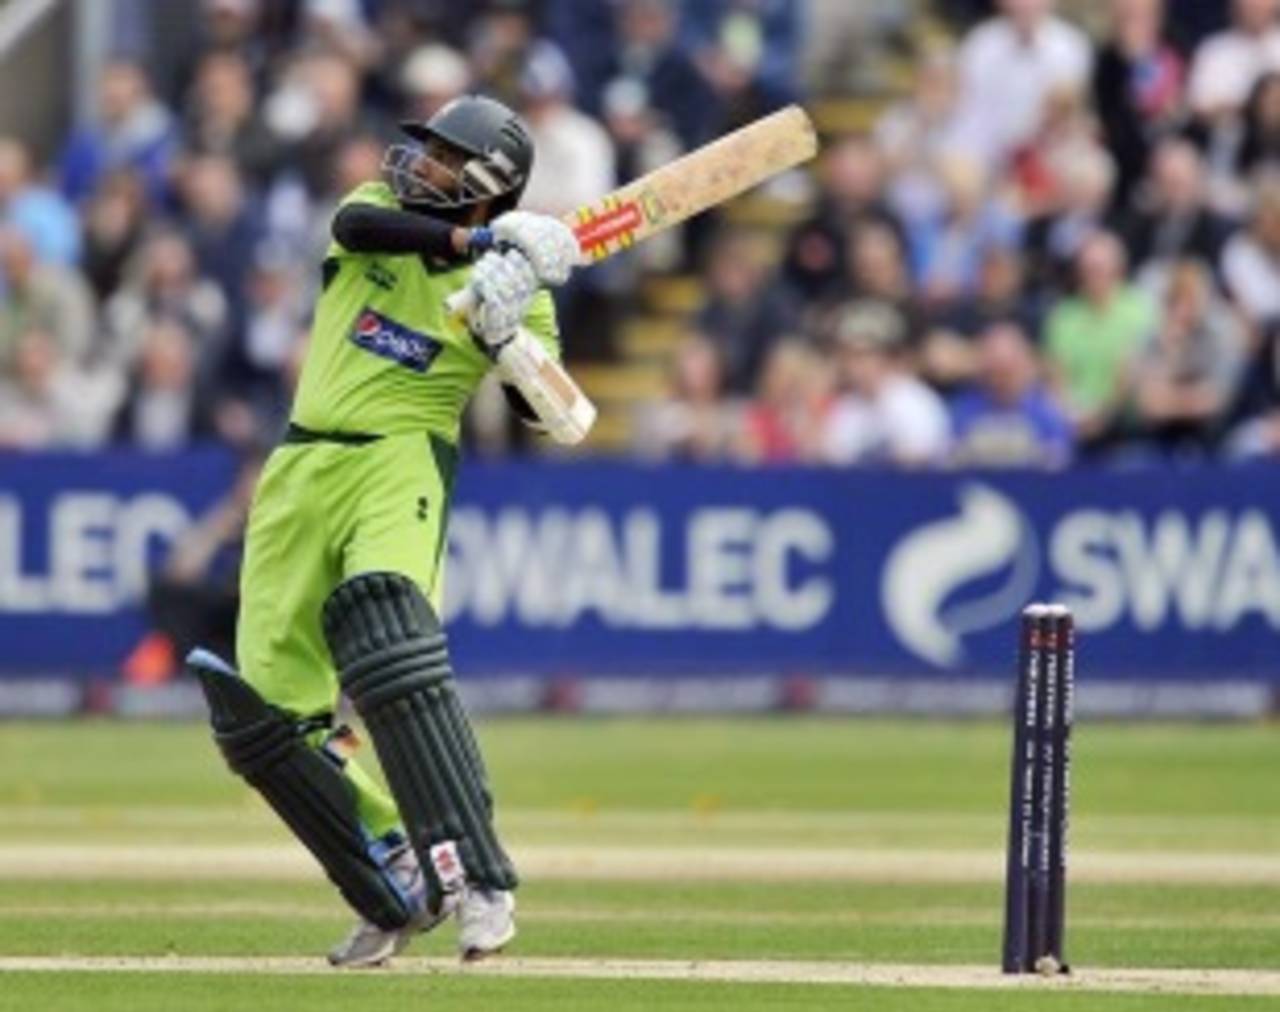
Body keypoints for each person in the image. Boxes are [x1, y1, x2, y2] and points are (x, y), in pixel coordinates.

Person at [185, 94, 583, 969]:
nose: (419, 166)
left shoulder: (522, 285)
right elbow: (361, 224)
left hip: (401, 460)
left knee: (389, 647)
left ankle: (482, 880)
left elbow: (558, 418)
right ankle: (395, 867)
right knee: (267, 719)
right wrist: (474, 246)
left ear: (486, 182)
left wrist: (505, 326)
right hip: (298, 466)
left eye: (444, 159)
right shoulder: (381, 215)